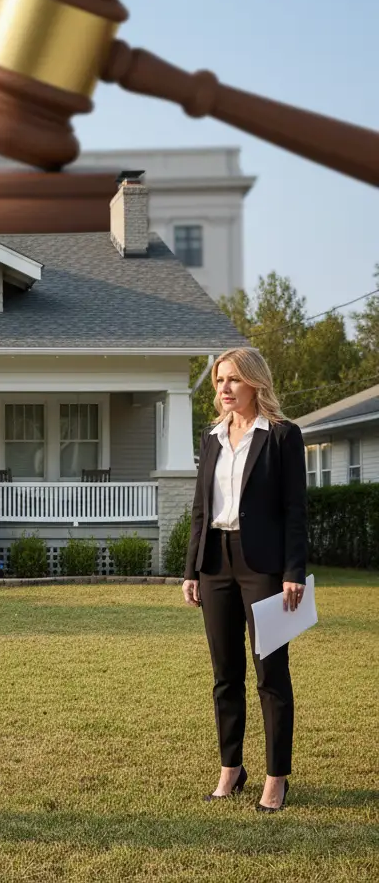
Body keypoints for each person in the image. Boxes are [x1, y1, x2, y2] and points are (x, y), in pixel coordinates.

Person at [183, 346, 307, 813]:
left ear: (255, 382)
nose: (224, 389)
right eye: (219, 381)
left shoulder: (281, 436)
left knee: (270, 673)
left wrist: (293, 571)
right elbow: (200, 508)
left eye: (232, 380)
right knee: (225, 674)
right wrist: (192, 569)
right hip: (215, 561)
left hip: (264, 567)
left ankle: (276, 779)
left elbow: (296, 510)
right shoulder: (212, 437)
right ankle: (231, 769)